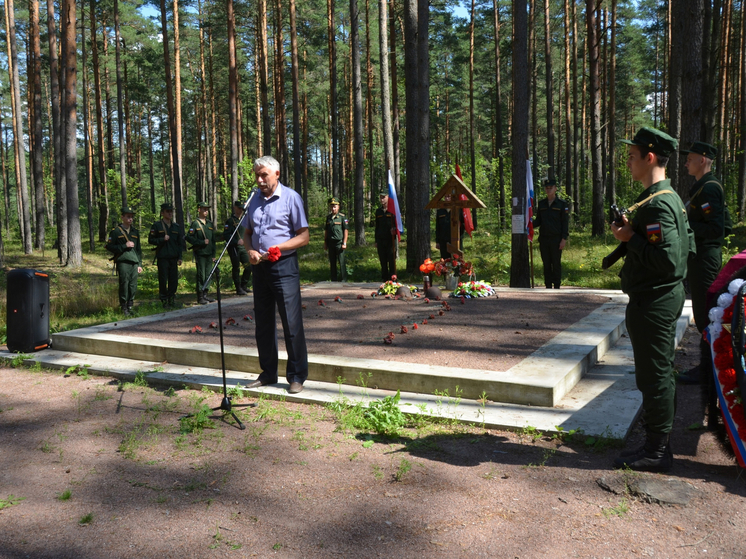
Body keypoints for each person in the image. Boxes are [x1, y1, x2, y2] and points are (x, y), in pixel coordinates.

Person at [611, 127, 695, 472]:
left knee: (656, 374)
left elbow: (672, 260)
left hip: (656, 301)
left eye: (632, 156)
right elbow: (684, 244)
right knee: (654, 373)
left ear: (649, 158)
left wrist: (631, 238)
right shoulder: (659, 198)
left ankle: (658, 451)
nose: (628, 162)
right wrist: (634, 232)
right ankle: (655, 444)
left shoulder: (660, 202)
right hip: (653, 299)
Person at [244, 155, 309, 395]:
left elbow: (304, 236)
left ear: (277, 174)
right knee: (263, 323)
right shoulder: (253, 201)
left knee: (291, 322)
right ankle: (268, 373)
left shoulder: (291, 198)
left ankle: (296, 375)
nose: (260, 180)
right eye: (257, 176)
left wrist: (279, 248)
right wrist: (249, 249)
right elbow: (247, 232)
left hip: (284, 266)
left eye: (264, 175)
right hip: (259, 268)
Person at [678, 141, 725, 385]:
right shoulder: (702, 186)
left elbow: (717, 228)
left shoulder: (709, 188)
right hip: (700, 257)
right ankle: (707, 366)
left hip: (705, 257)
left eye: (690, 158)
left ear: (703, 160)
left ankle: (707, 369)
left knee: (706, 313)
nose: (686, 162)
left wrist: (684, 225)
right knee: (701, 310)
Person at [105, 206, 143, 316]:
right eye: (128, 216)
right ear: (122, 217)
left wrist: (139, 264)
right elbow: (110, 247)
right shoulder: (116, 231)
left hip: (134, 262)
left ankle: (130, 305)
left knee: (133, 284)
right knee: (124, 283)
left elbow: (138, 250)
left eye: (131, 217)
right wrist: (124, 246)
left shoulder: (135, 231)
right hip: (123, 261)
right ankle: (124, 306)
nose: (130, 219)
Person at [533, 178, 569, 289]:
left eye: (551, 188)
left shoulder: (562, 204)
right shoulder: (542, 203)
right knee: (546, 263)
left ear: (555, 189)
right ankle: (548, 285)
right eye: (547, 188)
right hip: (544, 238)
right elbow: (539, 220)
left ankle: (557, 286)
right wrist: (529, 224)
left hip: (556, 239)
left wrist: (564, 239)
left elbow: (565, 222)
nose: (548, 190)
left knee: (556, 263)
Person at [148, 202, 183, 308]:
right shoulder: (157, 225)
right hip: (163, 257)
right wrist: (161, 239)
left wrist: (180, 257)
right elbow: (151, 240)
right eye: (167, 211)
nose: (170, 213)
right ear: (162, 212)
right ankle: (164, 300)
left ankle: (171, 299)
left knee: (174, 280)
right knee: (163, 280)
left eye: (171, 211)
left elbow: (179, 244)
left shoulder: (176, 227)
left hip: (173, 257)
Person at [186, 201, 216, 305]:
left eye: (207, 209)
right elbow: (188, 237)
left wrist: (214, 254)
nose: (206, 211)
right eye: (204, 209)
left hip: (209, 254)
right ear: (199, 209)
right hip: (200, 253)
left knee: (208, 274)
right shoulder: (195, 223)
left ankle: (205, 295)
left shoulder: (209, 224)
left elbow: (213, 241)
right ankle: (200, 296)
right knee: (201, 275)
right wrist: (201, 242)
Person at [224, 200, 251, 295]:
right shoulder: (230, 221)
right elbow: (226, 235)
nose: (240, 210)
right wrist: (236, 242)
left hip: (243, 248)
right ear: (235, 208)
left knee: (249, 265)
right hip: (234, 248)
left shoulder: (244, 220)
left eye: (242, 209)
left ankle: (244, 284)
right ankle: (238, 287)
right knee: (236, 268)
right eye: (239, 208)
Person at [324, 197, 348, 281]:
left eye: (335, 206)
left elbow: (345, 230)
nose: (333, 208)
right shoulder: (328, 218)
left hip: (339, 243)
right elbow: (326, 230)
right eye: (332, 206)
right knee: (332, 263)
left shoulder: (342, 217)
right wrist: (325, 243)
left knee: (341, 262)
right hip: (331, 243)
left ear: (338, 207)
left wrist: (344, 242)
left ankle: (343, 280)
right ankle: (334, 280)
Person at [434, 195, 465, 260]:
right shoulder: (440, 211)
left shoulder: (458, 210)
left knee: (457, 260)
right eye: (445, 197)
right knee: (445, 261)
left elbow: (463, 224)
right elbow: (438, 227)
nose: (446, 198)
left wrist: (460, 236)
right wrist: (437, 241)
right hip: (443, 240)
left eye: (448, 197)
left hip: (456, 239)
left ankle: (458, 270)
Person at [375, 191, 396, 281]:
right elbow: (377, 226)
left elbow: (398, 224)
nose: (382, 199)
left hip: (390, 239)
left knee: (391, 260)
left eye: (384, 197)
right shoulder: (378, 211)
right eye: (381, 197)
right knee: (383, 260)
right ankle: (385, 280)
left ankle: (393, 279)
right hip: (381, 239)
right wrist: (376, 240)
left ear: (388, 197)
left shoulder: (392, 210)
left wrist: (394, 230)